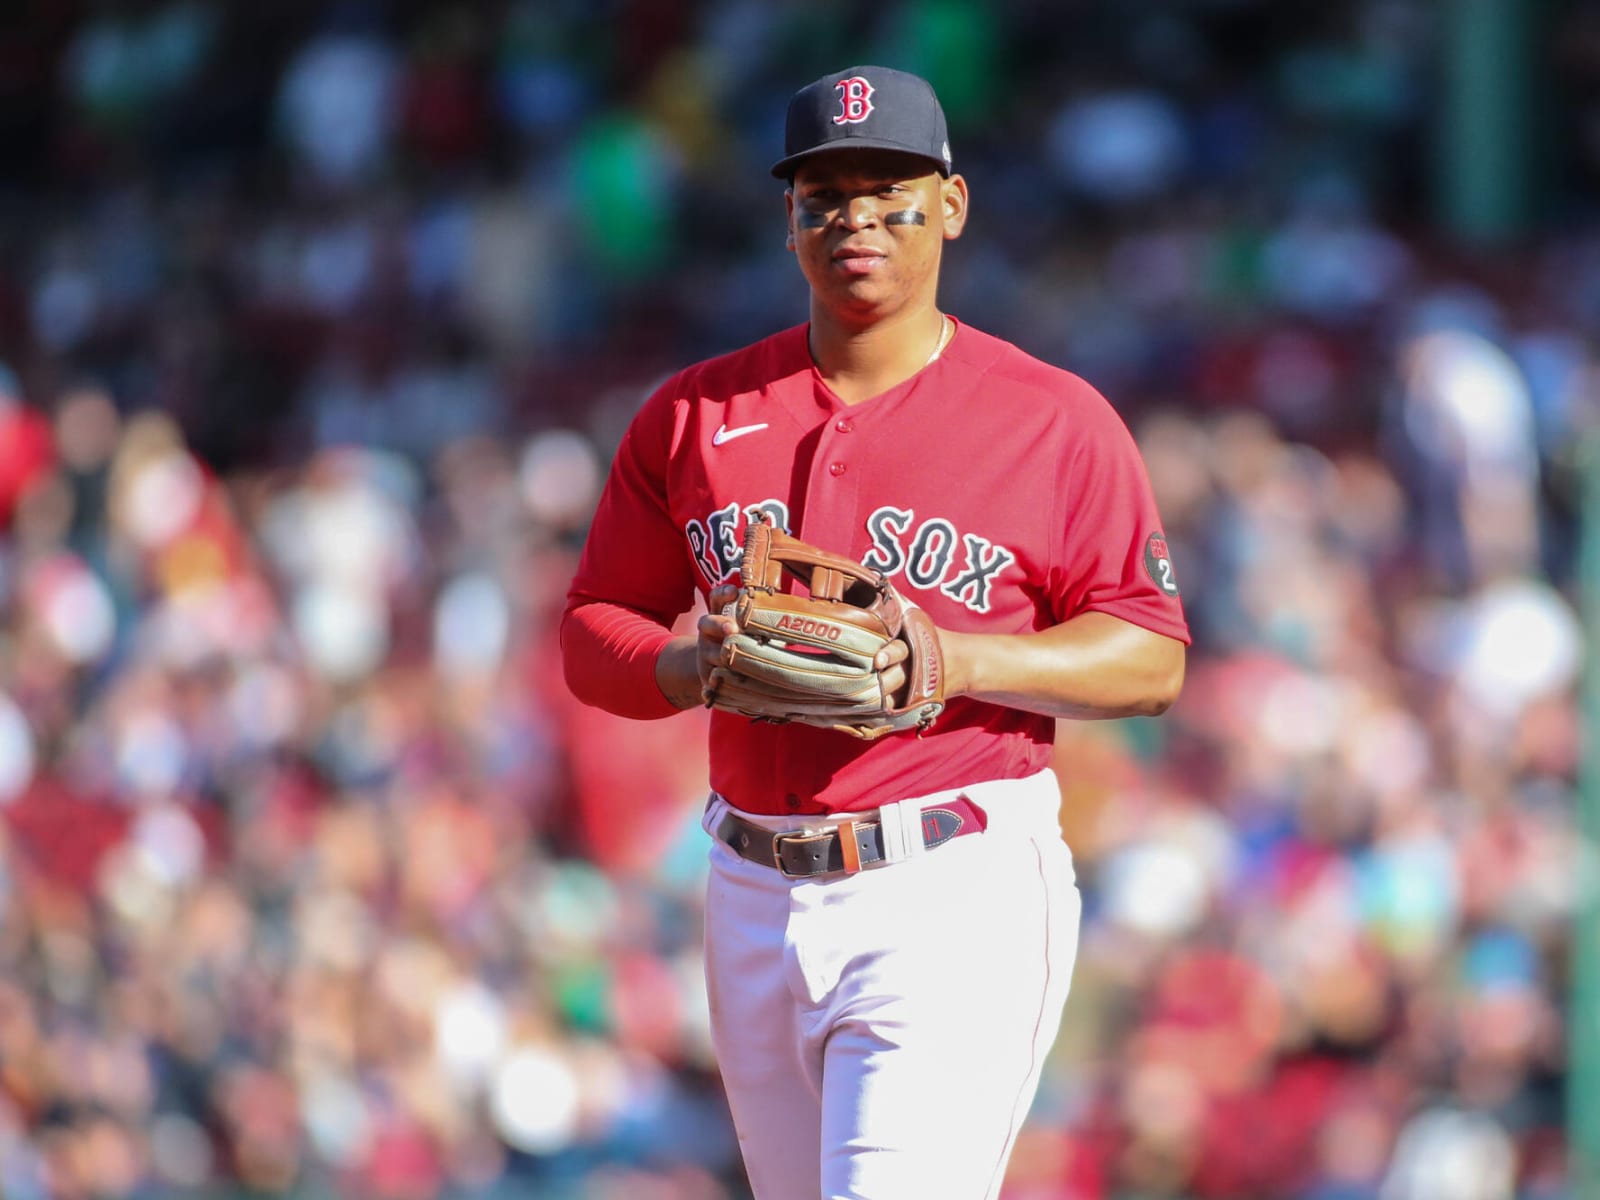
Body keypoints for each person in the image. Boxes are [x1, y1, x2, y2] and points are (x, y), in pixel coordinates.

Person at [561, 64, 1190, 1200]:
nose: (855, 219)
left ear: (950, 204)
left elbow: (1150, 655)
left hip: (949, 879)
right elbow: (590, 628)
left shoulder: (1053, 420)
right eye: (825, 193)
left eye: (889, 190)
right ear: (789, 216)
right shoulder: (695, 413)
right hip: (749, 881)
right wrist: (683, 664)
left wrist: (957, 659)